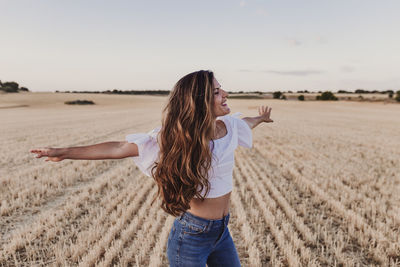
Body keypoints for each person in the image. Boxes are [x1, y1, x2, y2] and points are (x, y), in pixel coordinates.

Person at [30, 70, 273, 267]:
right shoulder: (174, 139)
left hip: (222, 233)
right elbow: (118, 149)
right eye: (217, 91)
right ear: (198, 100)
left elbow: (246, 123)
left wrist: (261, 118)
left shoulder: (229, 128)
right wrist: (63, 152)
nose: (225, 93)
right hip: (191, 237)